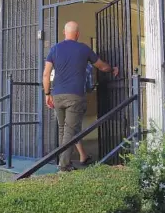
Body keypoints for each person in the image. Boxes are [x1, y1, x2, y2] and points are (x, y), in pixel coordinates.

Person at [43, 21, 119, 172]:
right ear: (77, 34)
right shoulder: (83, 49)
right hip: (75, 96)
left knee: (63, 129)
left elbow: (46, 74)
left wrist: (47, 94)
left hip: (57, 94)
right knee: (69, 130)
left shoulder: (55, 49)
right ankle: (64, 166)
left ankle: (65, 162)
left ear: (64, 33)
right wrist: (112, 69)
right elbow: (101, 66)